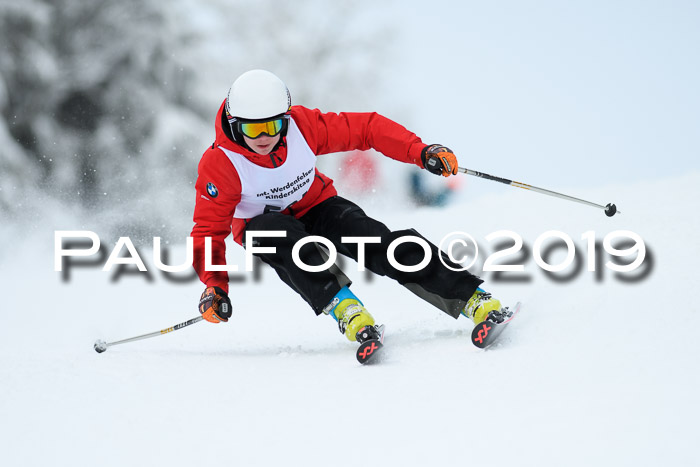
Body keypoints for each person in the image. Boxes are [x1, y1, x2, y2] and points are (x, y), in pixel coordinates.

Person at [191, 69, 505, 347]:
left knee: (377, 241)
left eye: (272, 126)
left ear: (285, 118)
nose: (264, 138)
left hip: (316, 204)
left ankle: (472, 298)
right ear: (235, 124)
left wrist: (420, 151)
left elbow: (367, 128)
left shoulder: (304, 126)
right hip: (262, 225)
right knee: (288, 242)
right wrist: (214, 286)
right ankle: (348, 310)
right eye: (252, 129)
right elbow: (208, 231)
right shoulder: (221, 164)